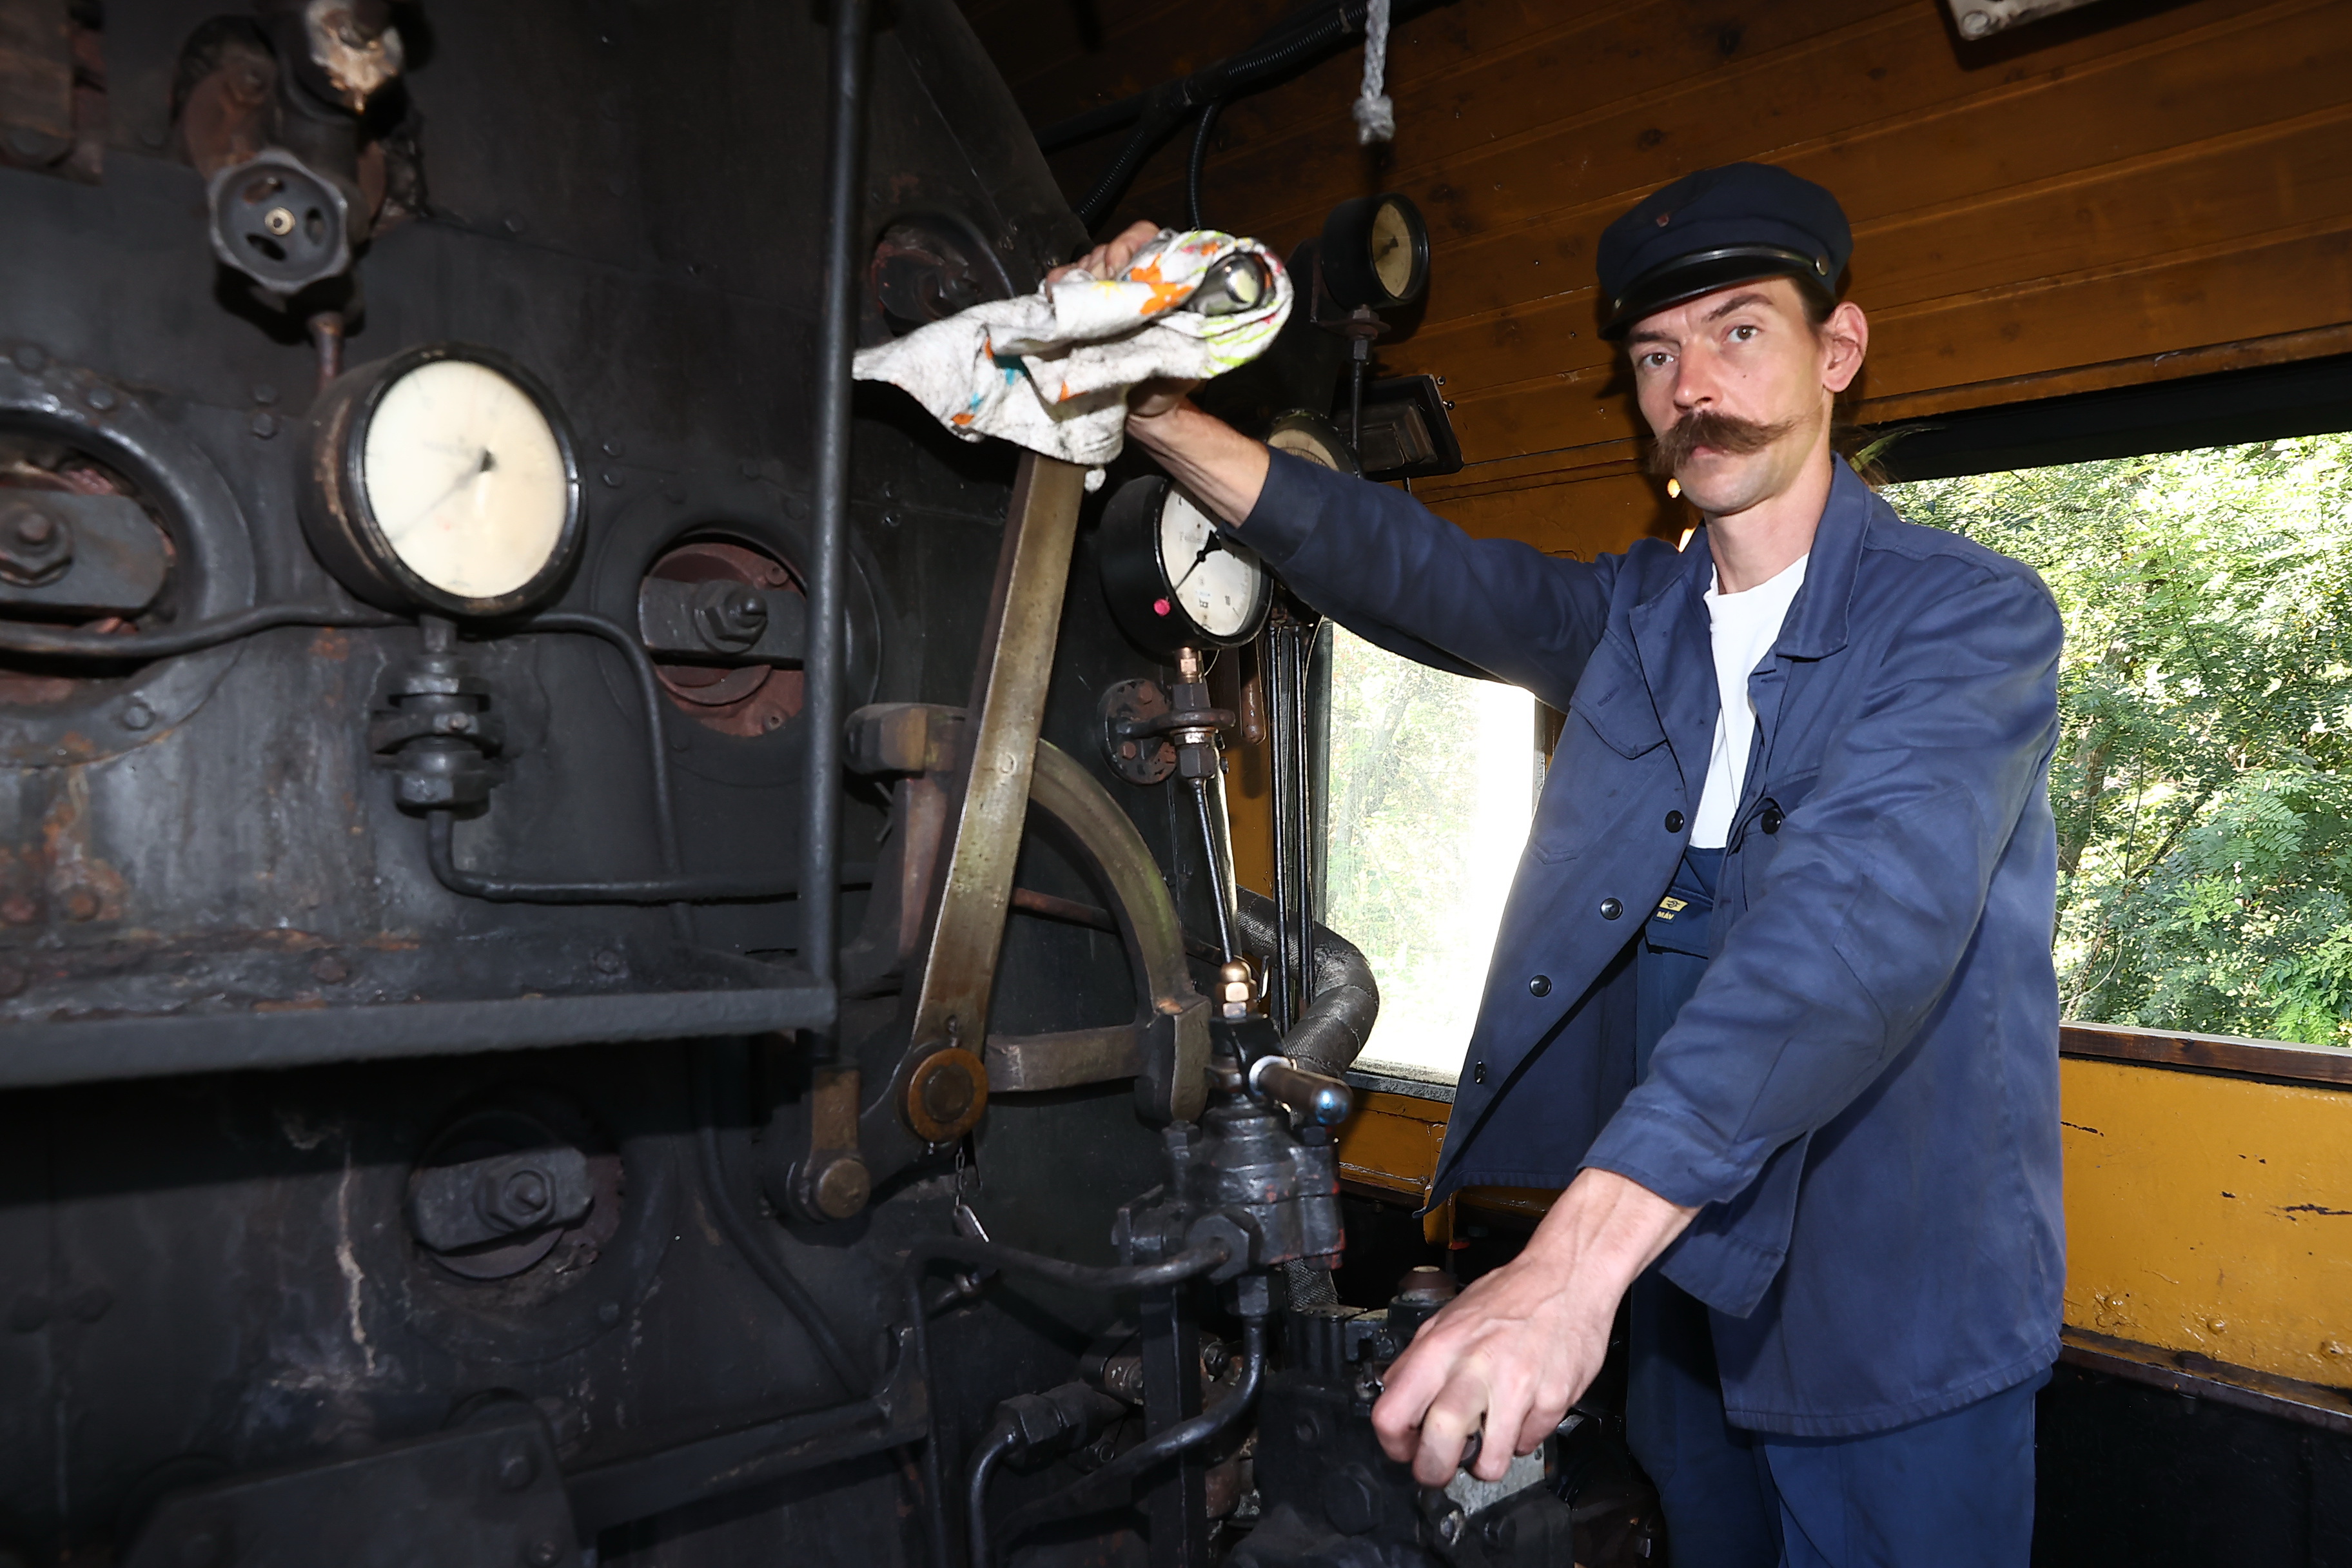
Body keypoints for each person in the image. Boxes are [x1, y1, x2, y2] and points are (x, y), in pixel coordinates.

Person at [1064, 163, 2066, 1565]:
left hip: (1892, 1297)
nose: (1690, 385)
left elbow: (1853, 934)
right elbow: (1413, 570)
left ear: (1837, 350)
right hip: (1685, 1283)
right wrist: (1155, 415)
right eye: (1654, 354)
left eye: (1738, 331)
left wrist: (1568, 1268)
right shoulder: (1638, 617)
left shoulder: (1967, 618)